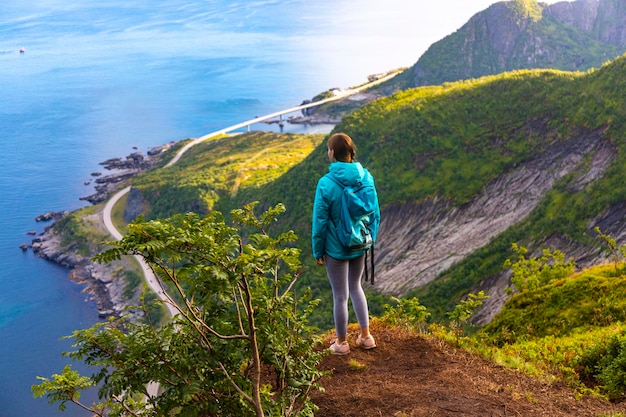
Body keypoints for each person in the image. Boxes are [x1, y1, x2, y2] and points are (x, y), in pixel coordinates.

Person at [311, 132, 381, 355]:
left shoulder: (326, 183)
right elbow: (374, 213)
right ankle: (366, 337)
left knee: (340, 296)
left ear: (332, 153)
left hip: (336, 248)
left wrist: (317, 249)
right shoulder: (366, 177)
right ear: (352, 152)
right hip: (359, 243)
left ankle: (341, 343)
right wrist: (369, 238)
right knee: (356, 287)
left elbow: (320, 221)